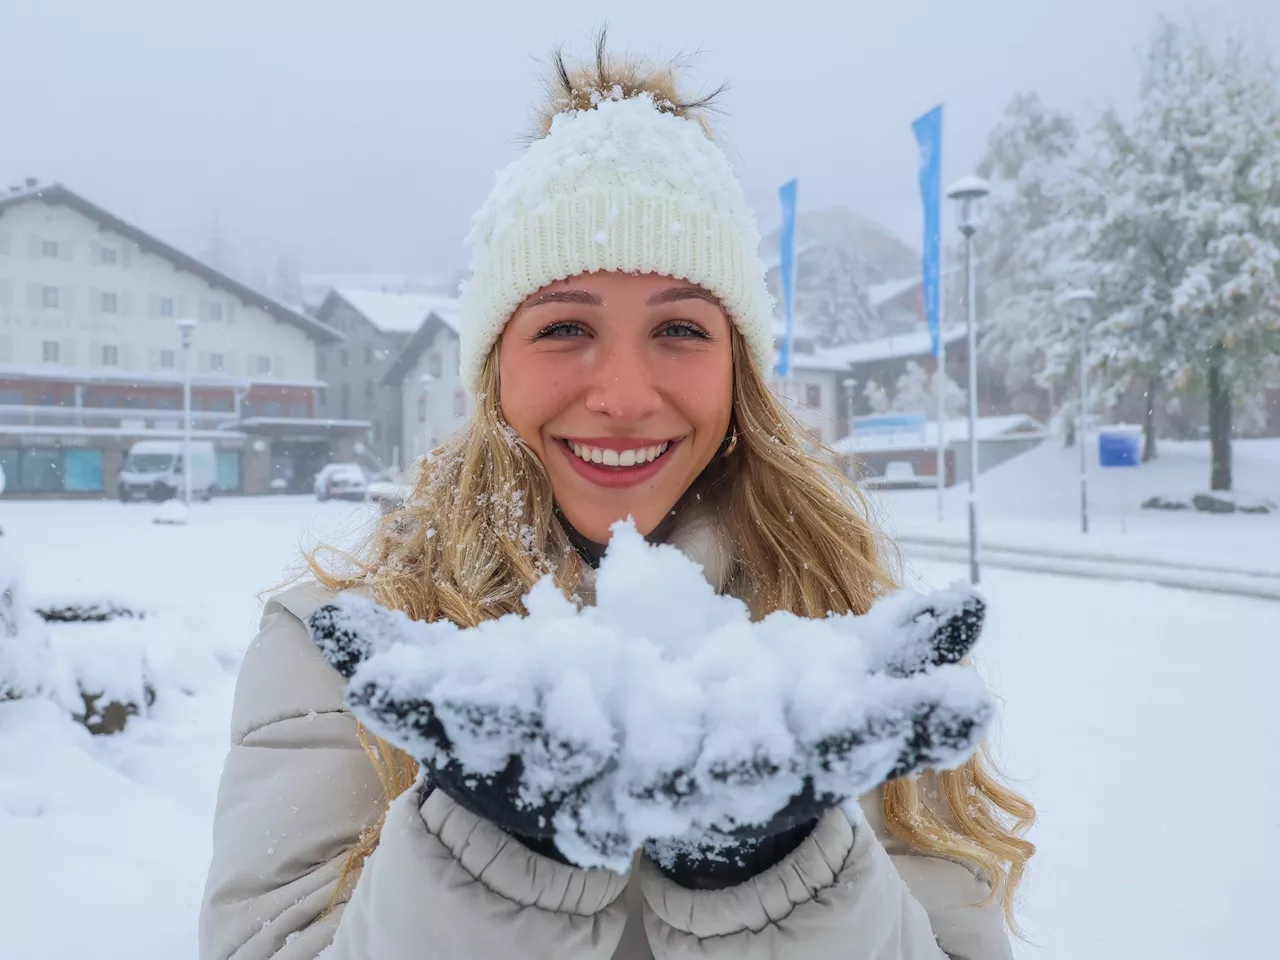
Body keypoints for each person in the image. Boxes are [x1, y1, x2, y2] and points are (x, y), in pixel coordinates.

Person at [199, 37, 1034, 960]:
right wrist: (494, 862)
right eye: (564, 328)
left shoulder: (846, 648)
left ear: (738, 370)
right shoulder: (344, 653)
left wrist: (774, 878)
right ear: (493, 369)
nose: (626, 395)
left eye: (679, 327)